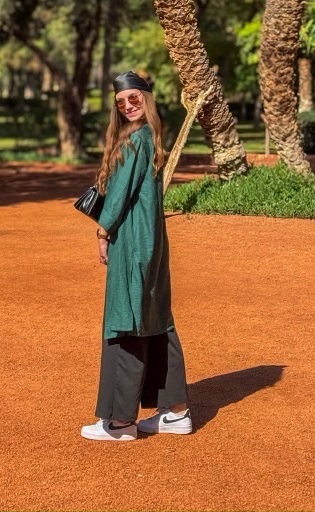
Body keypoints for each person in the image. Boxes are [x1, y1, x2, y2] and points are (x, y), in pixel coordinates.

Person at [81, 70, 192, 442]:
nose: (128, 106)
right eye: (121, 102)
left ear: (147, 99)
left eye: (134, 98)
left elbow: (117, 199)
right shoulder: (152, 138)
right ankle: (176, 412)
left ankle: (119, 422)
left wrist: (102, 231)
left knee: (123, 323)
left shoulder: (133, 143)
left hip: (131, 242)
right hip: (153, 244)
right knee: (157, 318)